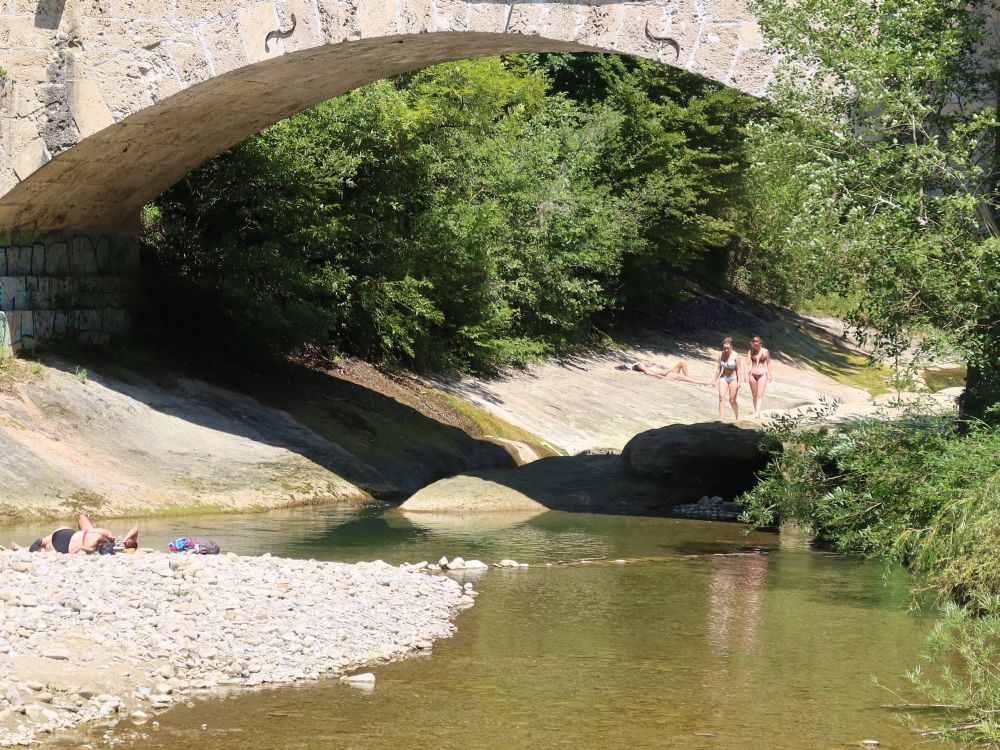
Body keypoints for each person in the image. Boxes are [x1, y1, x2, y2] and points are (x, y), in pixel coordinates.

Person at [11, 514, 139, 554]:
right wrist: (125, 540)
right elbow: (135, 529)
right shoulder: (103, 542)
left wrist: (123, 540)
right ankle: (25, 549)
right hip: (65, 542)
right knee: (45, 547)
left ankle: (23, 548)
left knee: (44, 543)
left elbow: (135, 529)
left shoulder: (104, 534)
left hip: (67, 533)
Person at [745, 335, 773, 418]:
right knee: (754, 394)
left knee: (759, 395)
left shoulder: (765, 351)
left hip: (762, 374)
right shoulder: (750, 351)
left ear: (761, 344)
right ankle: (755, 410)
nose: (756, 347)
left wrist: (770, 375)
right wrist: (745, 375)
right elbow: (747, 364)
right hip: (753, 374)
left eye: (758, 346)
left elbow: (769, 363)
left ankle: (757, 413)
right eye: (754, 346)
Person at [714, 337, 741, 421]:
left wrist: (739, 381)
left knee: (732, 400)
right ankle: (721, 419)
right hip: (724, 377)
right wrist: (715, 380)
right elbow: (718, 368)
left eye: (728, 348)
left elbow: (739, 369)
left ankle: (737, 415)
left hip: (733, 378)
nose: (726, 350)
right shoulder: (721, 355)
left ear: (731, 347)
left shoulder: (735, 355)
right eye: (724, 348)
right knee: (721, 397)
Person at [632, 360, 709, 385]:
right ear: (640, 367)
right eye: (640, 364)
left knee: (682, 362)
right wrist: (666, 378)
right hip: (669, 375)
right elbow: (655, 375)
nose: (642, 363)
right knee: (689, 380)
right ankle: (703, 382)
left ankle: (687, 377)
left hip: (670, 371)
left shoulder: (648, 368)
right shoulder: (646, 370)